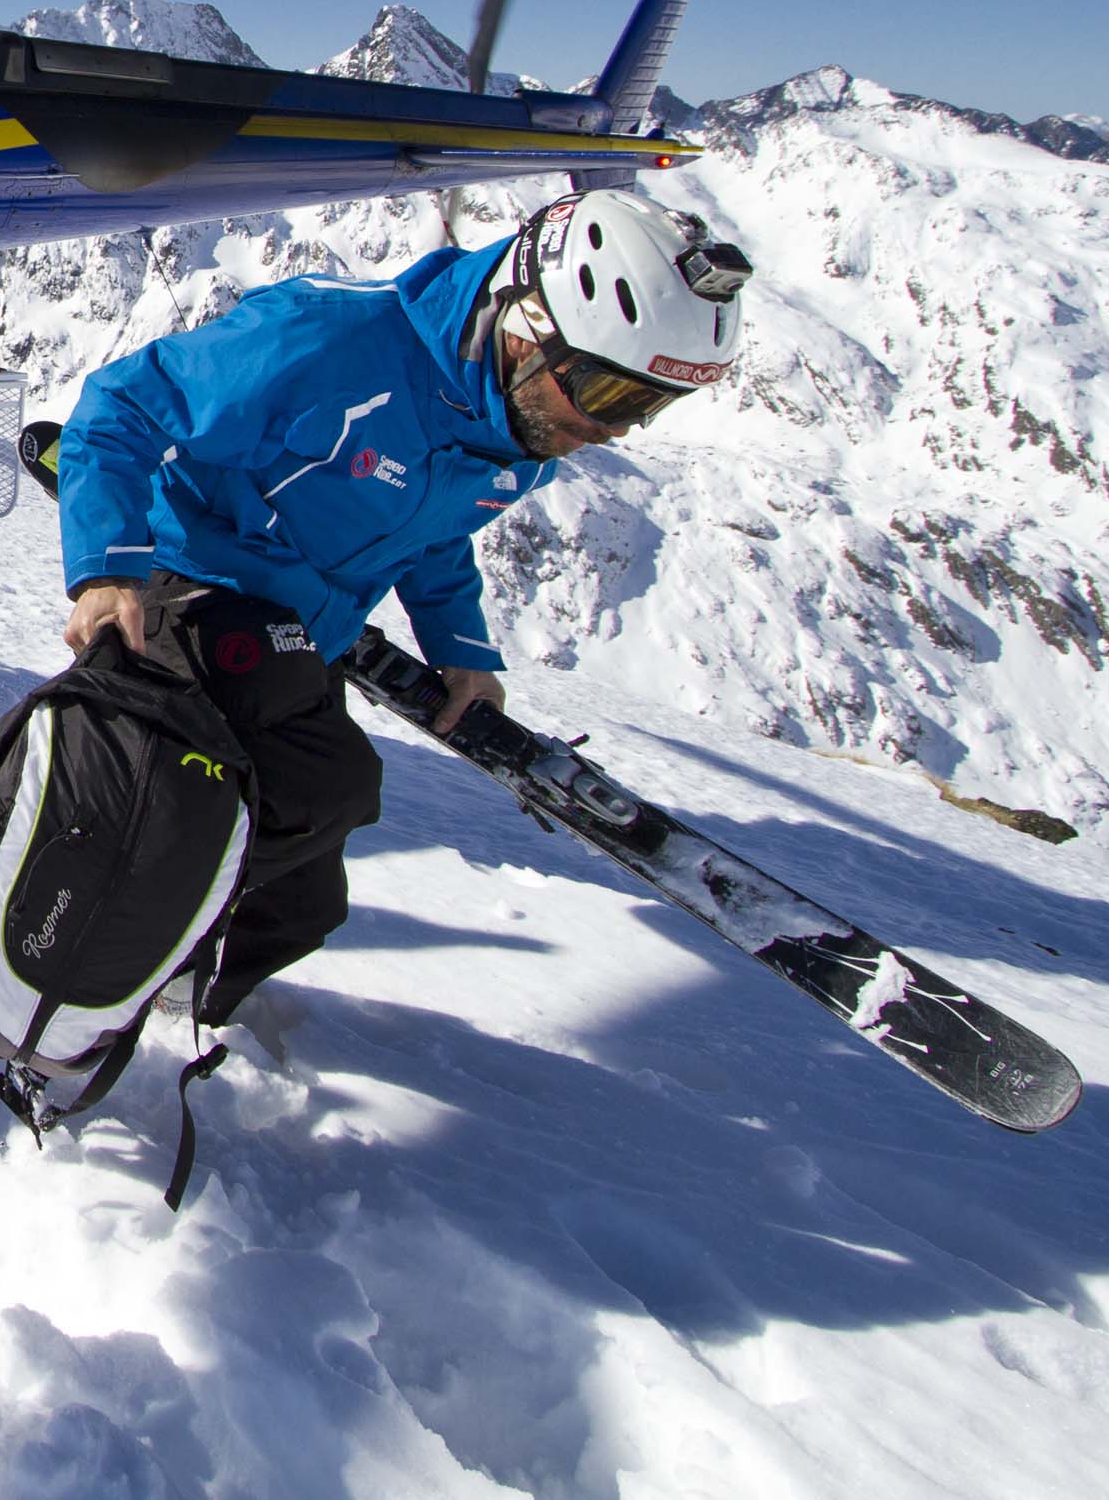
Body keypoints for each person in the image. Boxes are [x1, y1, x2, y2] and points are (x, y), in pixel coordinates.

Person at [53, 189, 753, 1023]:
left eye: (647, 405)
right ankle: (79, 960)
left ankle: (174, 997)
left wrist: (464, 651)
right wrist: (106, 570)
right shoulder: (330, 339)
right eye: (608, 396)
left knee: (306, 899)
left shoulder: (518, 428)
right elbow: (121, 407)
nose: (617, 432)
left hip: (300, 627)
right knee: (318, 786)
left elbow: (431, 531)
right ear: (529, 324)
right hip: (189, 574)